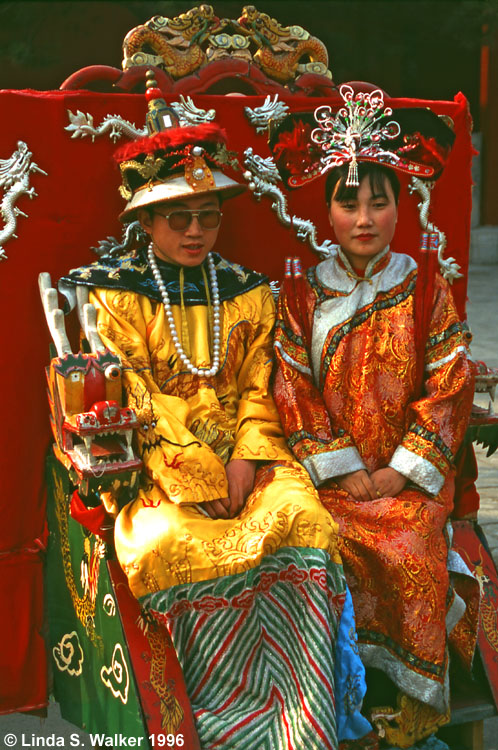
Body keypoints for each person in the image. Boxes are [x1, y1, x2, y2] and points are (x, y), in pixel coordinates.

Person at [58, 79, 371, 750]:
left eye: (208, 215)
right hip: (160, 465)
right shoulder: (114, 298)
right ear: (145, 222)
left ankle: (302, 719)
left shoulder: (248, 293)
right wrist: (198, 477)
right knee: (166, 543)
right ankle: (210, 722)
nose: (197, 231)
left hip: (248, 457)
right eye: (179, 218)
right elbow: (133, 393)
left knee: (304, 520)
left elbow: (264, 383)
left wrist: (242, 463)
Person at [271, 87, 480, 749]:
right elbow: (292, 388)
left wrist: (399, 471)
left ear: (399, 207)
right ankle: (328, 701)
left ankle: (410, 708)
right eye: (348, 200)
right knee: (310, 544)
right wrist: (344, 470)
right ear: (327, 210)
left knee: (414, 544)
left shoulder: (423, 285)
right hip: (329, 481)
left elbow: (449, 383)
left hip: (407, 483)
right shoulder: (301, 293)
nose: (364, 217)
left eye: (378, 200)